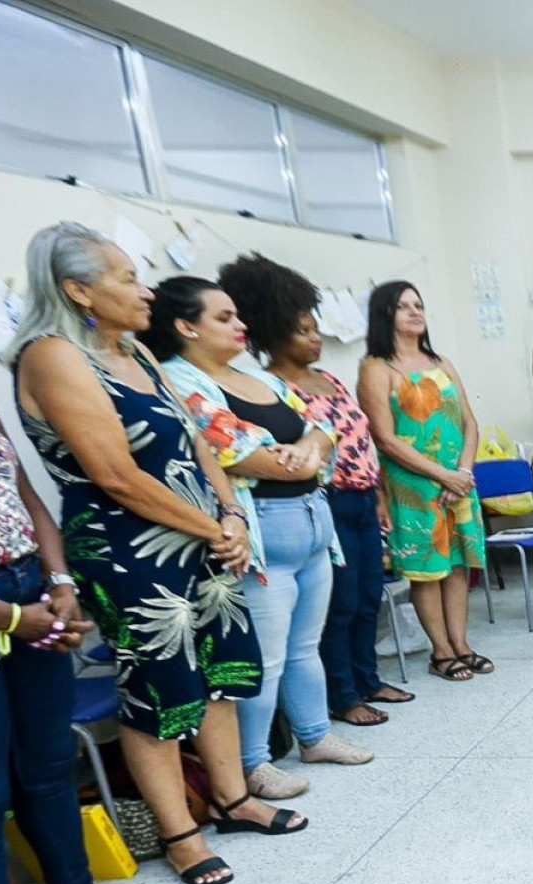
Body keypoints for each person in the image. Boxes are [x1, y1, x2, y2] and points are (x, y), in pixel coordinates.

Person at [8, 222, 307, 884]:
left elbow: (199, 443)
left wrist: (230, 515)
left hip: (204, 535)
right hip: (130, 552)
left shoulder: (137, 354)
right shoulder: (53, 356)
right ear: (78, 289)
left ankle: (233, 800)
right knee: (157, 692)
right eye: (126, 279)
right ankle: (180, 833)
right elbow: (114, 474)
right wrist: (210, 525)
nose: (145, 292)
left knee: (221, 676)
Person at [0, 379, 183, 884]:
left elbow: (27, 494)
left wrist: (58, 581)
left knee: (47, 767)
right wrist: (10, 619)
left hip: (28, 586)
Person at [151, 277, 373, 801]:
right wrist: (304, 455)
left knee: (303, 647)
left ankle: (316, 735)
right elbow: (235, 452)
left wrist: (312, 449)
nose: (240, 325)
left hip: (313, 522)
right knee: (265, 656)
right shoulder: (181, 381)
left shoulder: (253, 375)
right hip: (263, 530)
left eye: (237, 315)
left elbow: (321, 427)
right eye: (223, 318)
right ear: (186, 327)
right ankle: (254, 763)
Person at [218, 253, 413, 728]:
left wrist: (381, 494)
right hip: (324, 503)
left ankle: (368, 678)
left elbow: (359, 438)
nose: (315, 339)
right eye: (304, 330)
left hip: (365, 497)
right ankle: (342, 695)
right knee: (339, 604)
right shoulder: (270, 386)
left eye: (316, 329)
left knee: (369, 594)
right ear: (275, 333)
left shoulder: (329, 380)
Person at [358, 281, 489, 682]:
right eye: (403, 306)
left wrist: (463, 473)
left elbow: (469, 422)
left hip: (459, 483)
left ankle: (462, 644)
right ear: (385, 315)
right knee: (426, 569)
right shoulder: (376, 368)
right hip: (414, 486)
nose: (415, 312)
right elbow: (385, 438)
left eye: (419, 304)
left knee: (456, 566)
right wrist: (442, 475)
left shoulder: (441, 362)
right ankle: (441, 651)